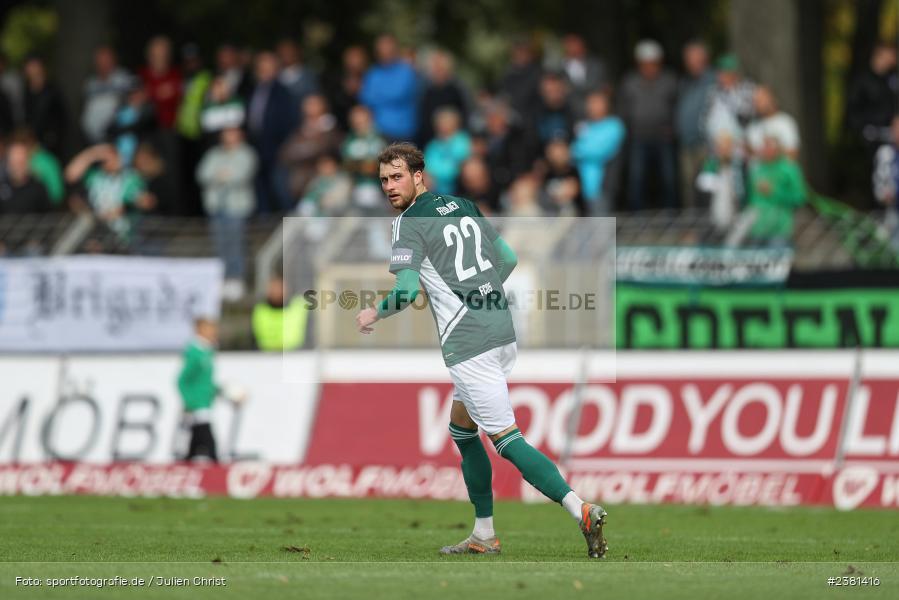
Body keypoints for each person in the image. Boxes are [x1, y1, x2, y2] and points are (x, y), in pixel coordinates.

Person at [354, 142, 607, 558]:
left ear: (419, 176)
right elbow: (505, 259)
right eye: (383, 179)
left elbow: (405, 293)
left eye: (397, 176)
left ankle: (580, 508)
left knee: (507, 441)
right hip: (501, 329)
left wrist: (374, 314)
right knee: (461, 427)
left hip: (469, 343)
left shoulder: (407, 225)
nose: (389, 186)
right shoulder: (462, 205)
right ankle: (484, 534)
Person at [196, 126, 258, 302]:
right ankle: (222, 278)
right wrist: (222, 175)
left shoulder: (246, 153)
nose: (229, 138)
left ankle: (236, 279)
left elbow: (240, 175)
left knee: (235, 242)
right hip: (216, 207)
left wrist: (219, 176)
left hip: (236, 207)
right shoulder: (214, 154)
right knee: (220, 244)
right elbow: (203, 174)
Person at [618, 39, 678, 210]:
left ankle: (670, 216)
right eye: (645, 63)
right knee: (637, 179)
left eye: (653, 63)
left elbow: (675, 106)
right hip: (638, 137)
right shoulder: (630, 82)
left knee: (668, 179)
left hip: (663, 138)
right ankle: (638, 218)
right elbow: (623, 109)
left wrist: (672, 128)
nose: (649, 67)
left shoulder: (669, 80)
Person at [571, 89, 625, 214]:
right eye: (590, 102)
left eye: (597, 102)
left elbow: (597, 150)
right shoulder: (583, 125)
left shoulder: (614, 125)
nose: (592, 106)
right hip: (580, 186)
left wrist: (573, 151)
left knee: (602, 227)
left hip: (601, 186)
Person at [745, 136, 806, 247]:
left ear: (778, 149)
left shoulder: (789, 169)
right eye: (763, 146)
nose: (765, 149)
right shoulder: (756, 170)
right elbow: (750, 200)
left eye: (768, 146)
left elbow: (799, 198)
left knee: (776, 261)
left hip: (779, 229)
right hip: (757, 229)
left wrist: (774, 191)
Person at [676, 40, 715, 207]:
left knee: (708, 185)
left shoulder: (714, 80)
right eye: (688, 58)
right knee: (688, 186)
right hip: (687, 143)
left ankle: (711, 227)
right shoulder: (685, 83)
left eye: (695, 58)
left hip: (707, 144)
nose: (691, 62)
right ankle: (692, 224)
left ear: (705, 58)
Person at [359, 34, 418, 142]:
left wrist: (378, 96)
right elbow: (365, 97)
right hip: (377, 132)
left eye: (388, 49)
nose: (385, 53)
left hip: (403, 130)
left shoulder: (406, 71)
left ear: (395, 50)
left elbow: (398, 94)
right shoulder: (373, 73)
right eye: (381, 50)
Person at [177, 318, 220, 462]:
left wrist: (219, 391)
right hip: (197, 403)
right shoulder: (195, 353)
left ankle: (186, 464)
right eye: (209, 328)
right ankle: (217, 467)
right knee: (207, 436)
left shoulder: (207, 351)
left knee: (195, 438)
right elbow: (182, 380)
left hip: (205, 400)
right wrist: (189, 401)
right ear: (200, 330)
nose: (213, 332)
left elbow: (205, 380)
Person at [81, 45, 135, 145]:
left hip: (117, 138)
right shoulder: (91, 84)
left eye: (106, 59)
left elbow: (135, 101)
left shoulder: (124, 79)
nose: (103, 63)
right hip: (93, 141)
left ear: (114, 60)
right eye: (100, 60)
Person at [252, 275, 309, 351]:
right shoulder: (260, 309)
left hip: (295, 356)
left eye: (280, 287)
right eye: (273, 287)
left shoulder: (298, 306)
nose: (276, 291)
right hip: (265, 356)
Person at [423, 106, 471, 194]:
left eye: (445, 122)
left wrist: (434, 175)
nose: (442, 125)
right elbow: (425, 165)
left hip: (456, 187)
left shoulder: (462, 141)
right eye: (440, 122)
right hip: (433, 185)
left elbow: (455, 169)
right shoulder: (433, 144)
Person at [746, 86, 800, 160]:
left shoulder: (785, 122)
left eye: (761, 99)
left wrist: (773, 150)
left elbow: (792, 153)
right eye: (755, 101)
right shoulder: (753, 127)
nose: (757, 103)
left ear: (772, 99)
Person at [873, 115, 899, 249]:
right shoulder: (885, 154)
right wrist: (886, 195)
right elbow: (880, 189)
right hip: (892, 214)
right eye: (896, 129)